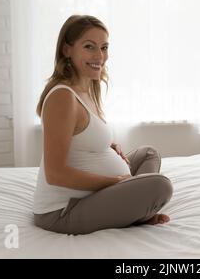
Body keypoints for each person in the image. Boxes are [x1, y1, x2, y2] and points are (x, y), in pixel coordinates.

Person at [33, 15, 173, 235]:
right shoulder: (62, 97)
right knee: (161, 186)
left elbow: (82, 136)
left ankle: (134, 207)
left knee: (148, 154)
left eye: (104, 47)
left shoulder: (86, 88)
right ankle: (137, 209)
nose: (100, 56)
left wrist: (108, 145)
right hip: (63, 212)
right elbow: (55, 174)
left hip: (92, 196)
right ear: (67, 50)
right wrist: (115, 182)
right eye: (89, 47)